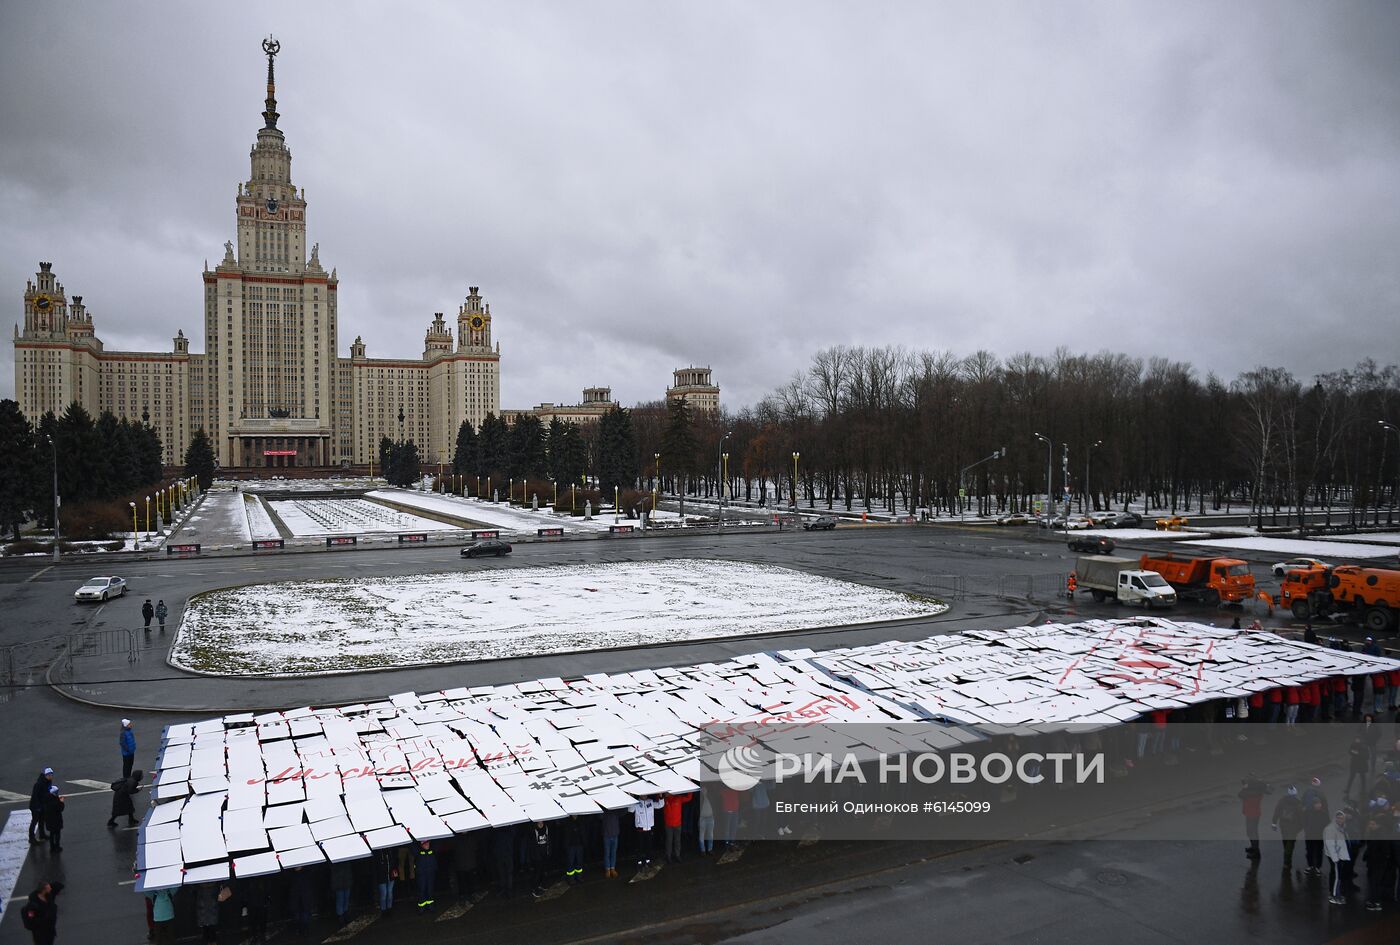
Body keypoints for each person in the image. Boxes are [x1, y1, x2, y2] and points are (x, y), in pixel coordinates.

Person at [1271, 785, 1303, 870]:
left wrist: (1274, 823)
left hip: (1283, 825)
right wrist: (1301, 827)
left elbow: (1277, 811)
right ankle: (1287, 861)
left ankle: (1287, 857)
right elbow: (1301, 816)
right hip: (1293, 827)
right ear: (1296, 793)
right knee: (1290, 844)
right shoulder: (1298, 803)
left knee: (1285, 842)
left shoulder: (1282, 801)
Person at [1238, 774, 1270, 860]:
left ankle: (1256, 852)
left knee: (1252, 833)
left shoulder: (1250, 793)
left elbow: (1240, 794)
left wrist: (1245, 786)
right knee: (1251, 832)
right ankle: (1253, 848)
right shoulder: (1257, 792)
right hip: (1253, 813)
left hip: (1252, 814)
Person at [1324, 810, 1352, 904]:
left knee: (1336, 875)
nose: (1340, 820)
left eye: (1342, 818)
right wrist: (1335, 858)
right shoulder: (1331, 829)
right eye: (1338, 818)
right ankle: (1335, 896)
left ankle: (1334, 892)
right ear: (1335, 818)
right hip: (1336, 857)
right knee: (1337, 876)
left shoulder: (1341, 828)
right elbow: (1330, 845)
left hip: (1340, 856)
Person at [20, 881, 62, 945]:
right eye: (49, 888)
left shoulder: (48, 896)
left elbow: (59, 885)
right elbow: (31, 919)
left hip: (50, 930)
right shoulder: (32, 905)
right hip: (40, 933)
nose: (51, 889)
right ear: (44, 890)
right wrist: (44, 919)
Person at [631, 796, 664, 869]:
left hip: (649, 829)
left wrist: (661, 797)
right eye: (642, 794)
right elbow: (630, 810)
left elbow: (660, 805)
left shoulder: (650, 801)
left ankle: (648, 861)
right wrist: (631, 799)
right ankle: (639, 862)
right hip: (640, 829)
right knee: (640, 847)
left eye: (645, 794)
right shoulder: (636, 803)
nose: (644, 796)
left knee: (649, 846)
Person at [1302, 792, 1330, 876]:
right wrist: (1307, 830)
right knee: (1309, 851)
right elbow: (1304, 822)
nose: (1318, 805)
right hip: (1310, 836)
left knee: (1319, 852)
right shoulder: (1307, 812)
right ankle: (1310, 866)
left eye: (1319, 804)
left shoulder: (1324, 813)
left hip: (1320, 836)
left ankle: (1318, 867)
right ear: (1313, 805)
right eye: (1316, 804)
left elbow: (1328, 824)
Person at [662, 792, 692, 863]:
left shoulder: (678, 798)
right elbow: (658, 800)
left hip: (677, 824)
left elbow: (689, 798)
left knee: (677, 841)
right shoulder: (664, 799)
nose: (666, 793)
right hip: (668, 825)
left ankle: (677, 855)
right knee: (669, 841)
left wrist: (690, 787)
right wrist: (660, 795)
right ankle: (668, 856)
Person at [28, 769, 53, 844]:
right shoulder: (39, 784)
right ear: (46, 775)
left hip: (43, 805)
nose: (51, 776)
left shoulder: (48, 782)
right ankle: (31, 838)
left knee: (42, 820)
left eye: (51, 775)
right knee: (34, 822)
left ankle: (42, 835)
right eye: (49, 775)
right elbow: (35, 796)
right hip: (36, 806)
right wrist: (37, 807)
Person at [372, 846, 398, 914]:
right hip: (382, 877)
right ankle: (383, 910)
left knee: (389, 893)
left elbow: (394, 862)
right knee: (384, 894)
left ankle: (389, 908)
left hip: (390, 876)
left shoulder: (390, 851)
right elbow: (376, 867)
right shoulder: (377, 853)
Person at [415, 839, 438, 912]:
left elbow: (438, 842)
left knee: (430, 889)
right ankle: (421, 907)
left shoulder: (433, 850)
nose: (427, 844)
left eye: (428, 843)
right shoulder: (417, 851)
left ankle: (430, 906)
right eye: (425, 843)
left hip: (430, 874)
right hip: (421, 875)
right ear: (421, 844)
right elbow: (411, 845)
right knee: (422, 890)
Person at [562, 815, 585, 884]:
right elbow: (566, 834)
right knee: (570, 863)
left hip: (579, 845)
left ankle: (579, 877)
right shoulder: (567, 821)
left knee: (579, 862)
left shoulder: (581, 821)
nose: (575, 816)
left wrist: (584, 843)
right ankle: (571, 879)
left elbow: (583, 833)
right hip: (570, 846)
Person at [43, 785, 64, 852]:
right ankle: (57, 847)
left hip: (49, 820)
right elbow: (60, 808)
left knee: (52, 834)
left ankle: (52, 847)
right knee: (57, 834)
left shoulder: (47, 799)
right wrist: (61, 802)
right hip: (56, 820)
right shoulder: (55, 801)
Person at [600, 809, 620, 878]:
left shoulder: (616, 810)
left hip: (615, 834)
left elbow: (624, 812)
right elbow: (599, 816)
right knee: (607, 853)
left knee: (613, 853)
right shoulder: (604, 811)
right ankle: (607, 869)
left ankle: (612, 868)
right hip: (607, 835)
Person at [697, 789, 716, 855]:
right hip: (702, 819)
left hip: (710, 818)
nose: (704, 790)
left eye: (705, 789)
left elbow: (715, 806)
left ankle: (710, 849)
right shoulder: (699, 798)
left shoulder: (710, 797)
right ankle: (703, 850)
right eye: (703, 789)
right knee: (701, 835)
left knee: (710, 835)